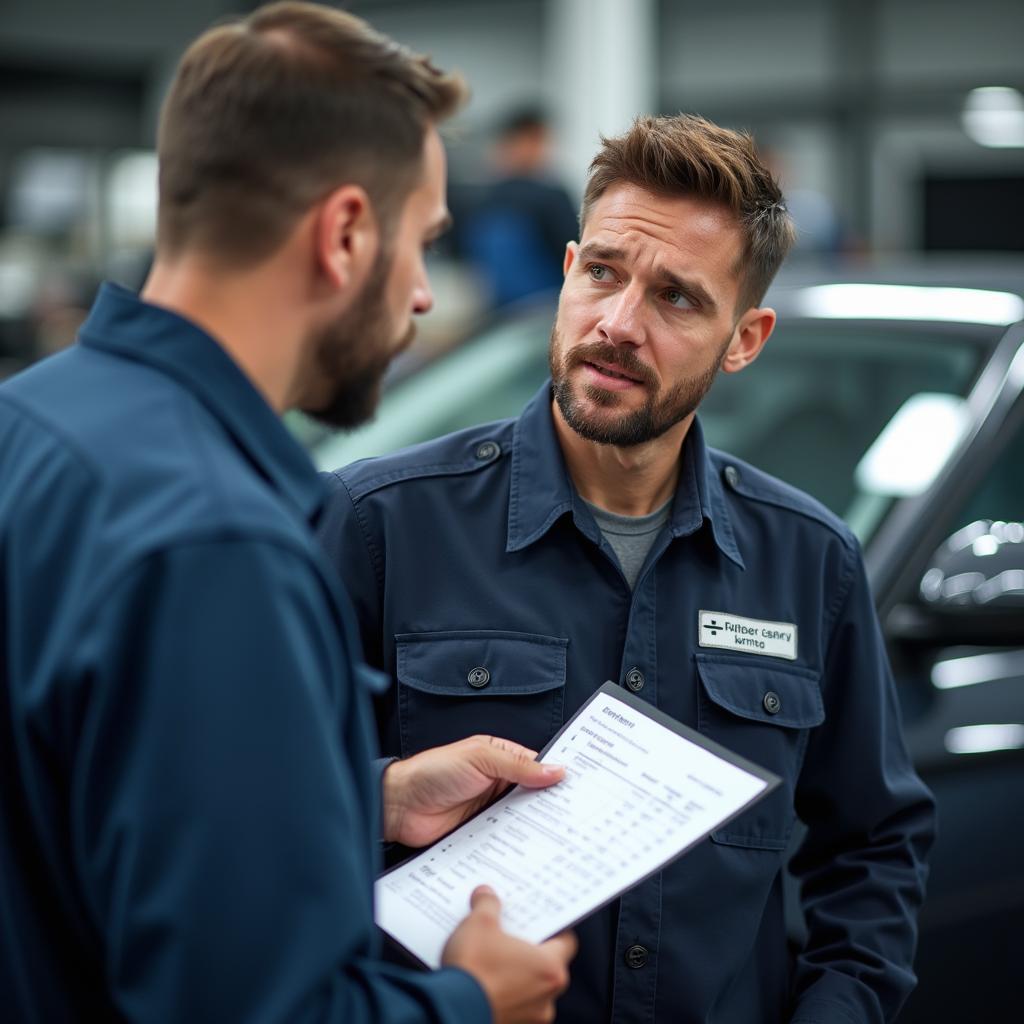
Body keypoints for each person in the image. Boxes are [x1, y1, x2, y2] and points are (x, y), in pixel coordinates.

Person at [0, 4, 576, 1022]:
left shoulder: (31, 421)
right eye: (422, 244)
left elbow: (87, 797)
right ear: (347, 232)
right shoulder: (218, 543)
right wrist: (468, 1001)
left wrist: (370, 799)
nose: (423, 298)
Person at [317, 114, 937, 1023]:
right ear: (567, 270)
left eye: (677, 298)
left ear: (746, 338)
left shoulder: (810, 562)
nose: (617, 324)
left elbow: (873, 847)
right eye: (603, 272)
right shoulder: (376, 524)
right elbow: (239, 813)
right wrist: (380, 796)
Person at [459, 105, 579, 307]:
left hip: (527, 313)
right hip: (534, 313)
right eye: (536, 140)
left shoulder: (480, 196)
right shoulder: (550, 197)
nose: (544, 150)